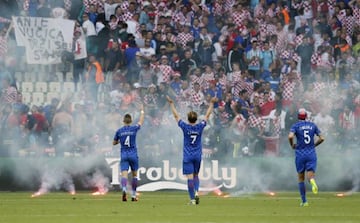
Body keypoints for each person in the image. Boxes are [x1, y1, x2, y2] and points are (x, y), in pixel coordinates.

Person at [166, 95, 217, 205]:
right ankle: (197, 192)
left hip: (188, 156)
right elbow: (207, 115)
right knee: (196, 176)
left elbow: (176, 116)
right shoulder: (200, 126)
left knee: (189, 178)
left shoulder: (185, 126)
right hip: (198, 155)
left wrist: (171, 104)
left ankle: (192, 199)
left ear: (188, 119)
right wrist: (212, 103)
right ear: (196, 119)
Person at [288, 108, 325, 207]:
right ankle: (312, 181)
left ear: (298, 116)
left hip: (300, 153)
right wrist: (314, 145)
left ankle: (304, 201)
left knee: (301, 177)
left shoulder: (295, 126)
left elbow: (290, 136)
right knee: (310, 176)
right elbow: (322, 138)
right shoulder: (313, 125)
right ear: (306, 116)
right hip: (311, 153)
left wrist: (292, 145)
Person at [113, 106, 145, 202]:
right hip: (133, 155)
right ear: (130, 121)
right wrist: (142, 112)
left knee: (124, 175)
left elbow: (113, 143)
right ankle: (134, 196)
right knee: (135, 175)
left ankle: (124, 190)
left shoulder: (119, 131)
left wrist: (120, 141)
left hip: (124, 155)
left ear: (123, 121)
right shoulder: (134, 128)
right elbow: (141, 122)